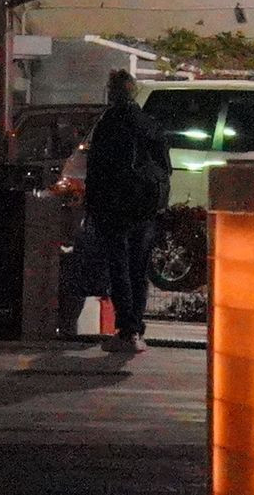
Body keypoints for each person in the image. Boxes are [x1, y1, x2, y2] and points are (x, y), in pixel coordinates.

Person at [79, 69, 172, 356]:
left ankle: (127, 329)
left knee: (118, 267)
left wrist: (92, 204)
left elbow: (98, 168)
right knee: (138, 268)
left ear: (113, 92)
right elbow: (164, 167)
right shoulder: (148, 123)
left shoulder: (109, 123)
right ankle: (136, 328)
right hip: (144, 206)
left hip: (115, 206)